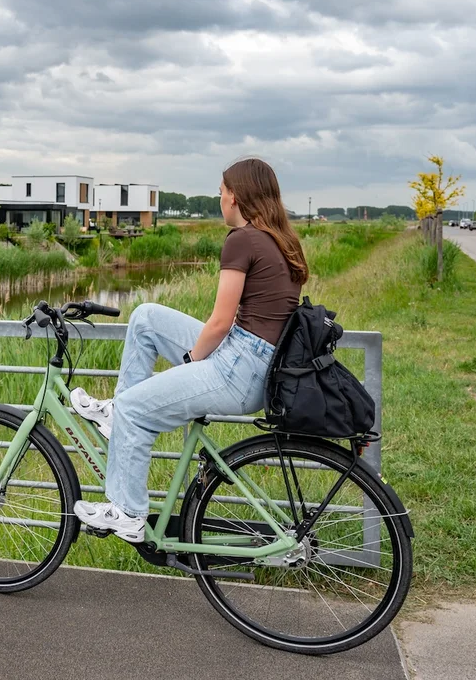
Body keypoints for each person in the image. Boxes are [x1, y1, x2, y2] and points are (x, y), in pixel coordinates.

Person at [71, 157, 309, 542]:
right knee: (145, 317)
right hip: (254, 361)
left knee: (136, 411)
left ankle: (127, 512)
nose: (219, 199)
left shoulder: (242, 240)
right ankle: (116, 416)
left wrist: (190, 362)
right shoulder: (280, 240)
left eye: (221, 192)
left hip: (238, 367)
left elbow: (220, 322)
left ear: (236, 197)